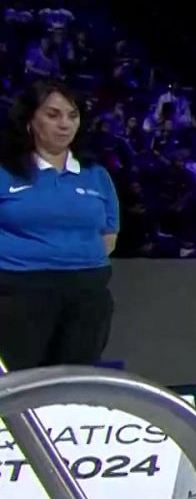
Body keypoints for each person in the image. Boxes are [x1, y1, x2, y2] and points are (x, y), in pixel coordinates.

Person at [0, 80, 119, 371]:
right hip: (19, 292)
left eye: (72, 115)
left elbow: (109, 235)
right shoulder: (6, 173)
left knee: (74, 382)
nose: (64, 124)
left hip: (87, 294)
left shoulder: (95, 174)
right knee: (20, 383)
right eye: (53, 115)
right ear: (30, 120)